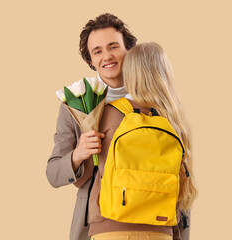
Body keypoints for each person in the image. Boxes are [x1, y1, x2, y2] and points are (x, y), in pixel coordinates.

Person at [46, 13, 191, 239]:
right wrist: (77, 155)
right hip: (101, 221)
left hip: (159, 220)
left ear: (129, 50)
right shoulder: (76, 106)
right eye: (97, 51)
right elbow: (53, 173)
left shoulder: (160, 102)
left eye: (113, 47)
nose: (107, 56)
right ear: (91, 61)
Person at [81, 42, 197, 240]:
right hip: (160, 229)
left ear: (129, 74)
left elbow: (84, 179)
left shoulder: (104, 114)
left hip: (111, 227)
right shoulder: (175, 122)